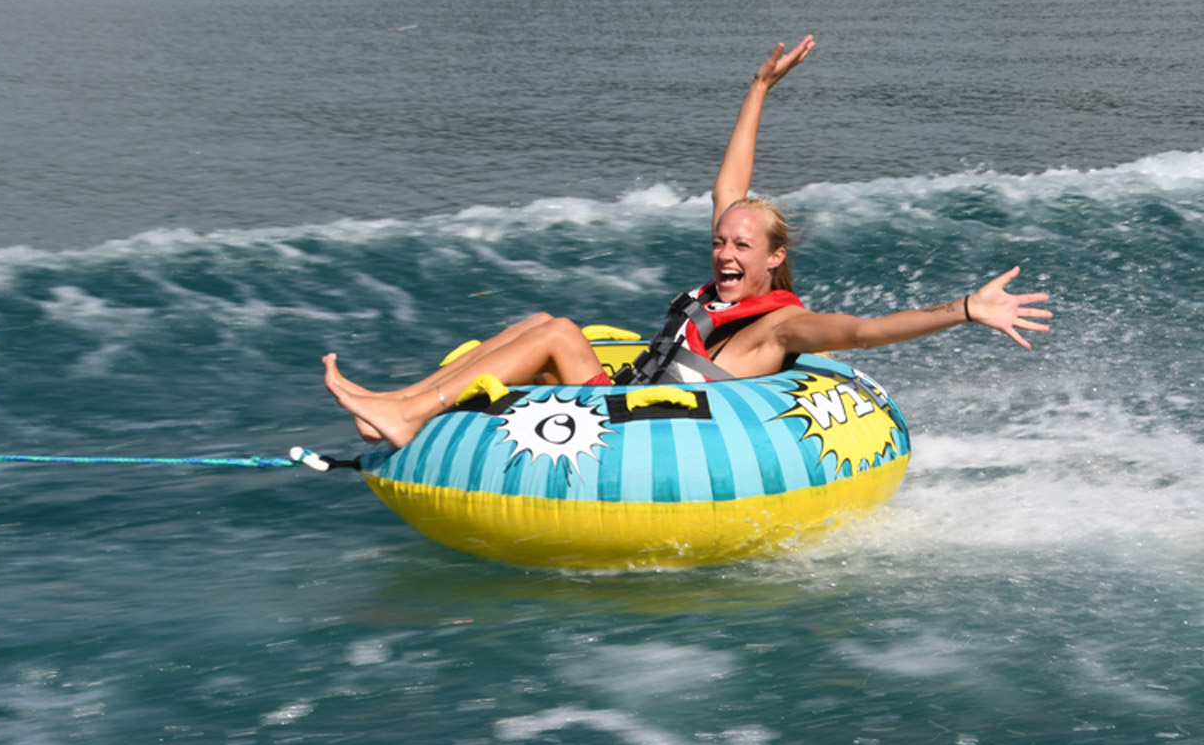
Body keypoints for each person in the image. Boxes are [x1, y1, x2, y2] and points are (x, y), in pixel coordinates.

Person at [323, 36, 1051, 449]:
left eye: (741, 246)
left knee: (560, 331)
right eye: (719, 242)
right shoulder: (728, 273)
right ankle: (400, 402)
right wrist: (760, 87)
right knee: (543, 325)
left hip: (651, 438)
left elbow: (863, 330)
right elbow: (729, 184)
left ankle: (407, 411)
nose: (725, 253)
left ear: (773, 258)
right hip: (631, 401)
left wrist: (963, 308)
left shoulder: (781, 323)